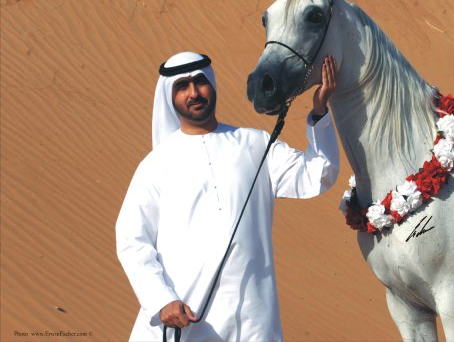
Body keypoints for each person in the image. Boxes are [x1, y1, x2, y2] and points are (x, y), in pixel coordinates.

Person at [116, 51, 339, 341]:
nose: (194, 93)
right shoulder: (156, 165)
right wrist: (161, 301)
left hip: (253, 320)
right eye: (182, 87)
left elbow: (317, 173)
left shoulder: (256, 144)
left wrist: (320, 110)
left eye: (200, 82)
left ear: (212, 84)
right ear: (169, 97)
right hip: (187, 318)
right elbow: (132, 240)